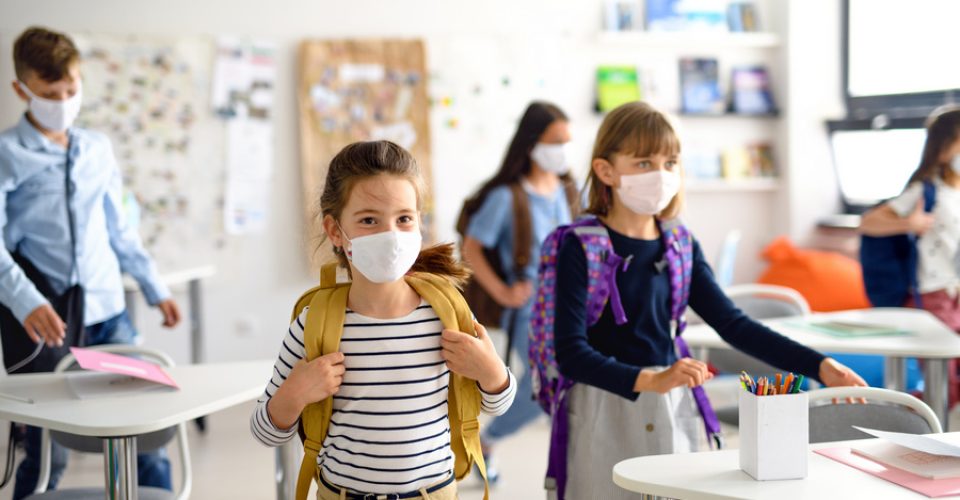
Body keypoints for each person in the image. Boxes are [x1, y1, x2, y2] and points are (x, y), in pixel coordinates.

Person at [553, 102, 866, 499]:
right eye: (645, 162)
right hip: (605, 406)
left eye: (671, 162)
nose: (662, 175)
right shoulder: (579, 246)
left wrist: (820, 365)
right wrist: (651, 379)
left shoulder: (678, 242)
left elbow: (734, 323)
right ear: (606, 170)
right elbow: (570, 353)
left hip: (670, 401)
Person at [250, 140, 517, 499]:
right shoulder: (314, 325)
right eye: (369, 220)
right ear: (334, 231)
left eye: (404, 218)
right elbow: (265, 432)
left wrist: (491, 372)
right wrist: (294, 395)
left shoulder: (448, 314)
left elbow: (498, 403)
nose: (390, 235)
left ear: (420, 223)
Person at [0, 27, 182, 499]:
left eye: (70, 91)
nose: (62, 101)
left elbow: (119, 229)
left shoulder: (96, 148)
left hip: (109, 315)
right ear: (22, 90)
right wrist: (25, 301)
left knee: (146, 438)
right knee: (48, 455)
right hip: (48, 319)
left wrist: (153, 285)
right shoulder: (6, 154)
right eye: (49, 93)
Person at [460, 101, 578, 479]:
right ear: (531, 143)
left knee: (560, 382)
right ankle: (489, 437)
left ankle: (491, 439)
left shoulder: (568, 190)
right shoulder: (506, 197)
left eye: (567, 141)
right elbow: (471, 247)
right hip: (530, 311)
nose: (562, 149)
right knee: (552, 382)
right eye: (555, 141)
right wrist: (502, 292)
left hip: (571, 307)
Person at [860, 107, 960, 328]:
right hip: (934, 292)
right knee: (942, 360)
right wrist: (909, 224)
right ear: (944, 149)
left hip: (956, 293)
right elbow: (867, 223)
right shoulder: (925, 190)